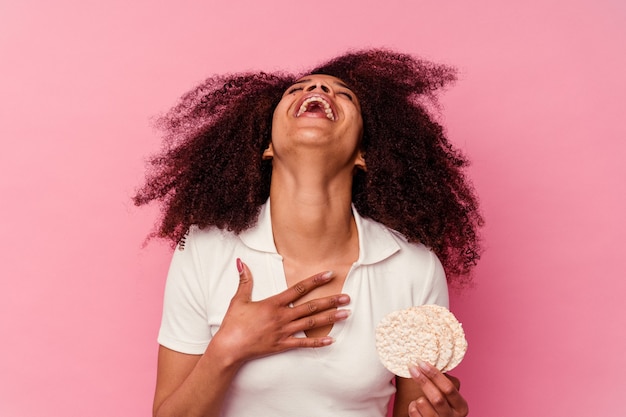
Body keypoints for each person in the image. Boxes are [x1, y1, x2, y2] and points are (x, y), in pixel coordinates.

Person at [134, 48, 483, 417]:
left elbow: (416, 411)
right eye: (296, 90)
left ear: (363, 153)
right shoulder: (204, 249)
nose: (317, 88)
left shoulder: (414, 268)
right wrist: (228, 347)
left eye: (343, 94)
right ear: (268, 146)